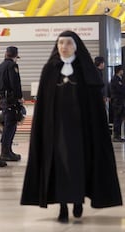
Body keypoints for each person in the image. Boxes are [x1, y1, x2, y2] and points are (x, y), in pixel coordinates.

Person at [21, 30, 122, 223]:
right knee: (59, 168)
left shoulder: (86, 70)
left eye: (68, 43)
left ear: (75, 46)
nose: (63, 47)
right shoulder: (50, 69)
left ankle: (77, 202)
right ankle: (63, 207)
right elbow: (44, 103)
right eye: (60, 43)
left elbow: (94, 106)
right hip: (56, 132)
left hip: (81, 133)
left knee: (79, 167)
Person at [0, 46, 23, 162]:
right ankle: (5, 152)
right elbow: (15, 83)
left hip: (2, 100)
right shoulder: (12, 66)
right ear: (15, 56)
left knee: (7, 125)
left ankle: (8, 150)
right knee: (10, 126)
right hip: (10, 100)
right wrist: (19, 97)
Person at [110, 65, 125, 142]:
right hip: (117, 102)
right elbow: (120, 89)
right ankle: (116, 136)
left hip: (121, 102)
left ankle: (119, 135)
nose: (123, 71)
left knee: (120, 119)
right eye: (122, 70)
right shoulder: (115, 79)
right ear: (119, 70)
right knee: (117, 119)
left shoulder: (120, 79)